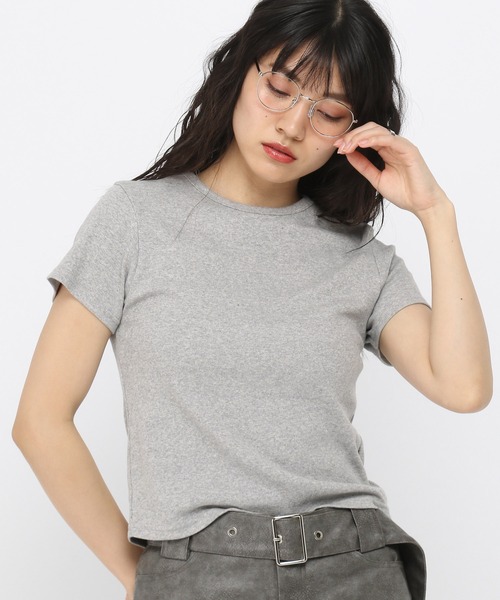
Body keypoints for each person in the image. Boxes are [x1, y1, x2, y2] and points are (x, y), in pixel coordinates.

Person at [12, 0, 492, 598]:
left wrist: (436, 213)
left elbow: (464, 388)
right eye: (280, 89)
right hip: (197, 572)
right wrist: (142, 578)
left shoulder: (360, 259)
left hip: (355, 568)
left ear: (355, 131)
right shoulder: (133, 221)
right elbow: (40, 421)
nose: (292, 126)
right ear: (239, 70)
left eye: (328, 112)